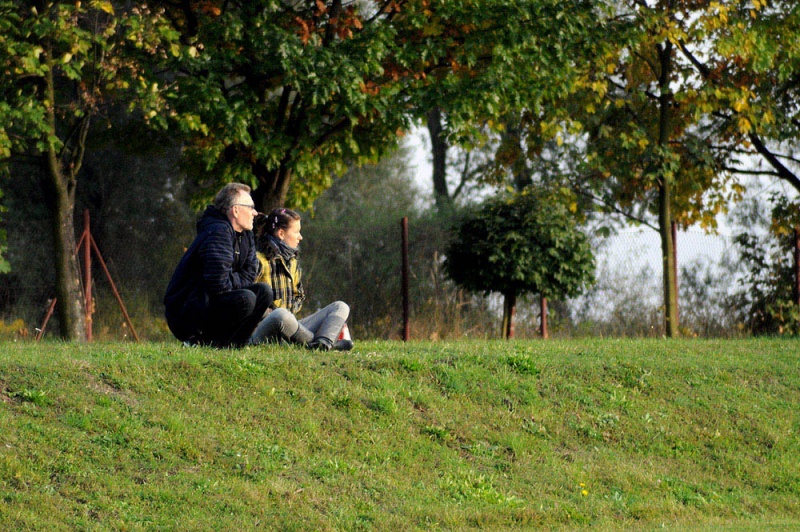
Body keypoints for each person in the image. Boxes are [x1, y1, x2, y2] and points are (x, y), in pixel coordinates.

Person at [164, 183, 272, 347]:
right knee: (246, 298)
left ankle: (233, 346)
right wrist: (236, 281)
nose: (255, 213)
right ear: (235, 210)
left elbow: (250, 274)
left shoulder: (246, 234)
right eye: (250, 207)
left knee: (264, 291)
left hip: (212, 301)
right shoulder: (218, 231)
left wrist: (232, 279)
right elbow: (219, 284)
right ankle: (199, 341)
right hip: (186, 312)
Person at [248, 208, 353, 351]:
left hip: (290, 325)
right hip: (264, 329)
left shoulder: (293, 262)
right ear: (281, 233)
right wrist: (277, 312)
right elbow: (250, 302)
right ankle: (324, 344)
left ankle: (324, 342)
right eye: (296, 232)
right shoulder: (258, 260)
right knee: (281, 314)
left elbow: (299, 295)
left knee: (340, 306)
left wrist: (292, 310)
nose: (300, 237)